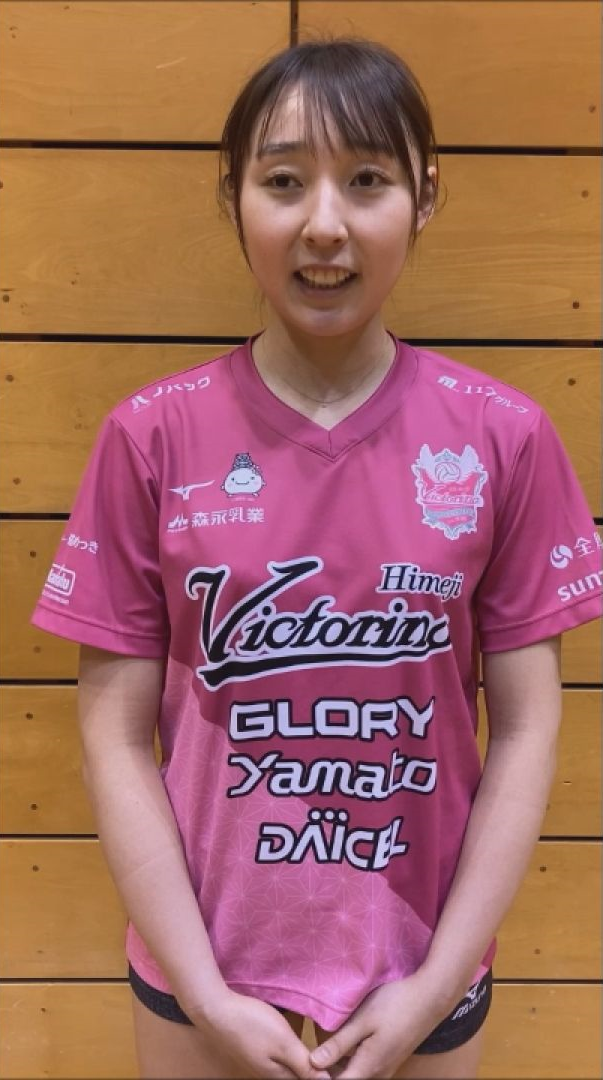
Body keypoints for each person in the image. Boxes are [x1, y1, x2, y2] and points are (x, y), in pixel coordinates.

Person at [31, 37, 602, 1080]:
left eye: (368, 179)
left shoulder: (504, 438)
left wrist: (433, 985)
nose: (324, 225)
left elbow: (528, 730)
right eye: (284, 180)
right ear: (233, 198)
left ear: (425, 198)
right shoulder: (149, 437)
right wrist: (204, 992)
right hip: (201, 974)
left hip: (420, 972)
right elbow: (112, 736)